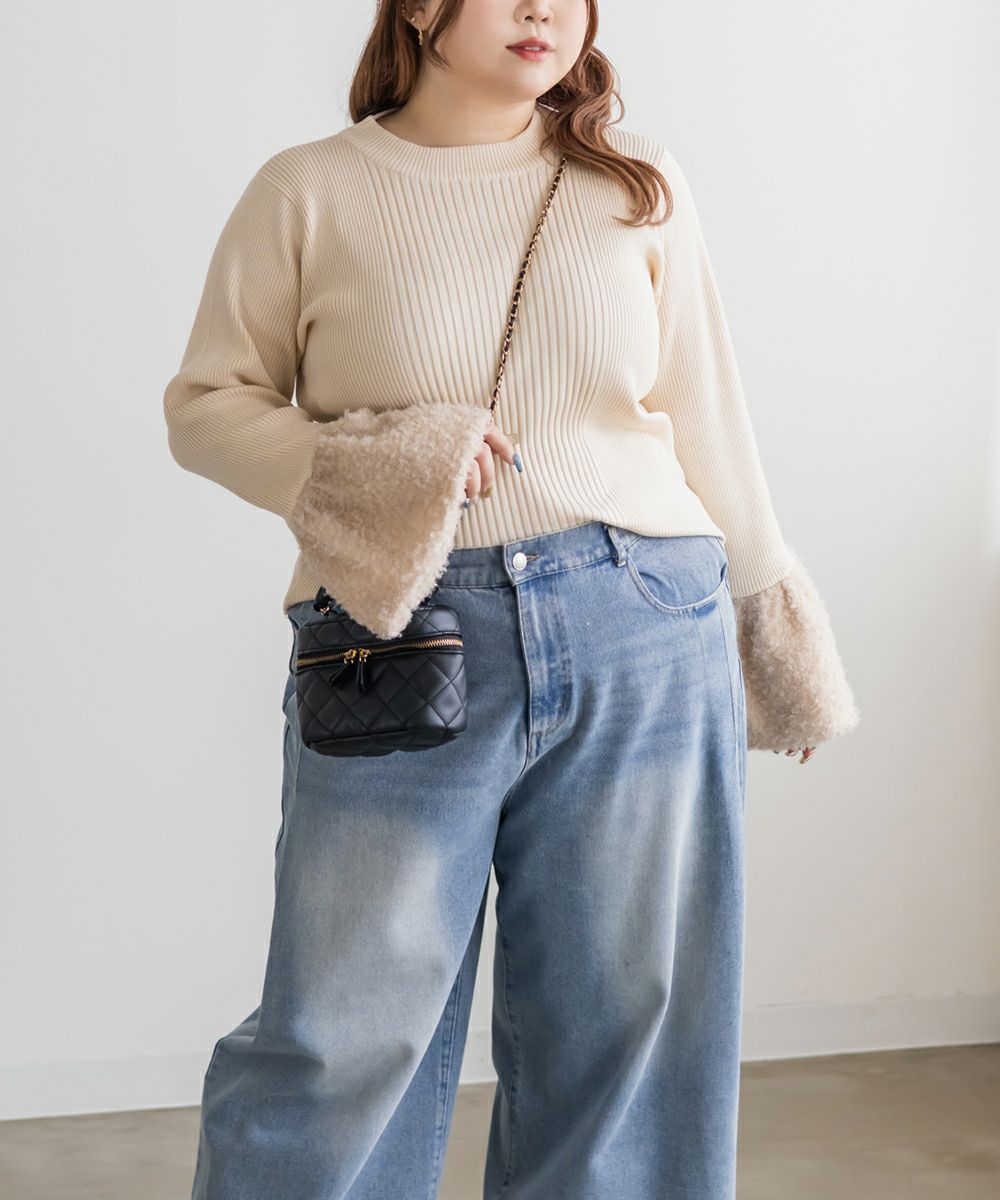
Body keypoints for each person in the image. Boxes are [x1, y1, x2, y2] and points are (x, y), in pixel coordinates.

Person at [163, 3, 860, 1197]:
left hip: (644, 620)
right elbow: (205, 406)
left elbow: (706, 412)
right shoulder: (309, 190)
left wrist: (774, 631)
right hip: (398, 629)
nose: (541, 8)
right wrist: (384, 459)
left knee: (625, 1028)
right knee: (341, 1035)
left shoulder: (634, 183)